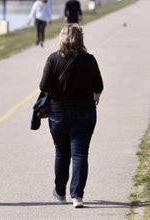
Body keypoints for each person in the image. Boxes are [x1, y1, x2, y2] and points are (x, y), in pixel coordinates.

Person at [39, 24, 103, 208]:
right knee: (80, 153)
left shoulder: (53, 59)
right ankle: (77, 195)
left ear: (62, 38)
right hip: (85, 111)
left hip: (58, 112)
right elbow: (98, 85)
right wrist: (95, 94)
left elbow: (44, 86)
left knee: (61, 153)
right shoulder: (89, 60)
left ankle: (60, 193)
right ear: (80, 39)